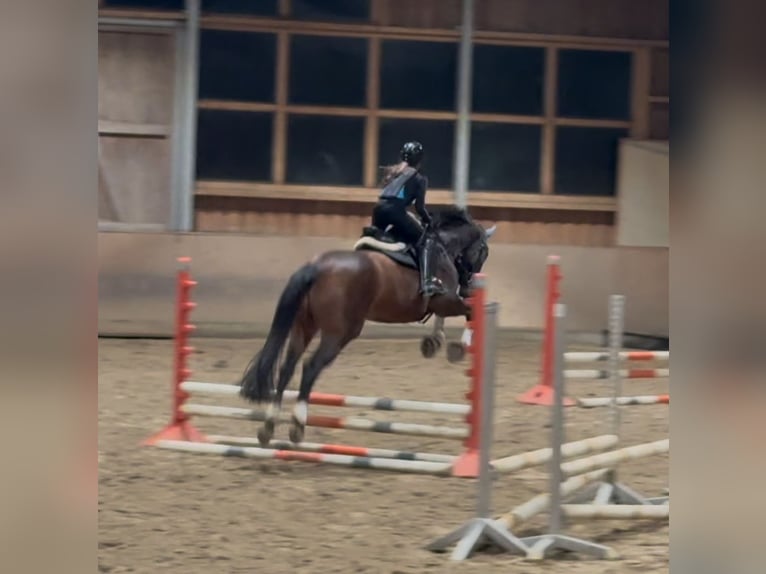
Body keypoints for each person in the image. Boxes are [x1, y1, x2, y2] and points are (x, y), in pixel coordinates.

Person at [370, 141, 446, 297]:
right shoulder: (419, 178)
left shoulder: (393, 172)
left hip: (378, 209)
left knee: (372, 238)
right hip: (395, 212)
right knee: (428, 240)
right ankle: (427, 281)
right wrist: (428, 221)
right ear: (420, 160)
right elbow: (419, 207)